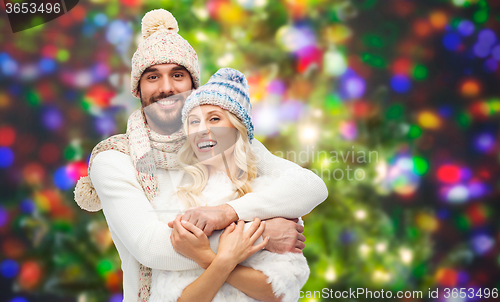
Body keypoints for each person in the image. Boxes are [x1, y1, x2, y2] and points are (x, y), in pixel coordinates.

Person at [73, 9, 328, 301]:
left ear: (193, 85)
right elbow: (152, 247)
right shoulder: (115, 158)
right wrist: (263, 234)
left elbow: (310, 186)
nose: (166, 87)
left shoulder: (218, 140)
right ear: (138, 89)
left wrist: (227, 214)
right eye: (153, 76)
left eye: (177, 75)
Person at [148, 68, 312, 302]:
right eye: (193, 122)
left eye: (214, 118)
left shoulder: (273, 197)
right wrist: (227, 257)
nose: (202, 129)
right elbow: (174, 298)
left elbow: (277, 292)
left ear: (238, 129)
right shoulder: (177, 200)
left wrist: (205, 257)